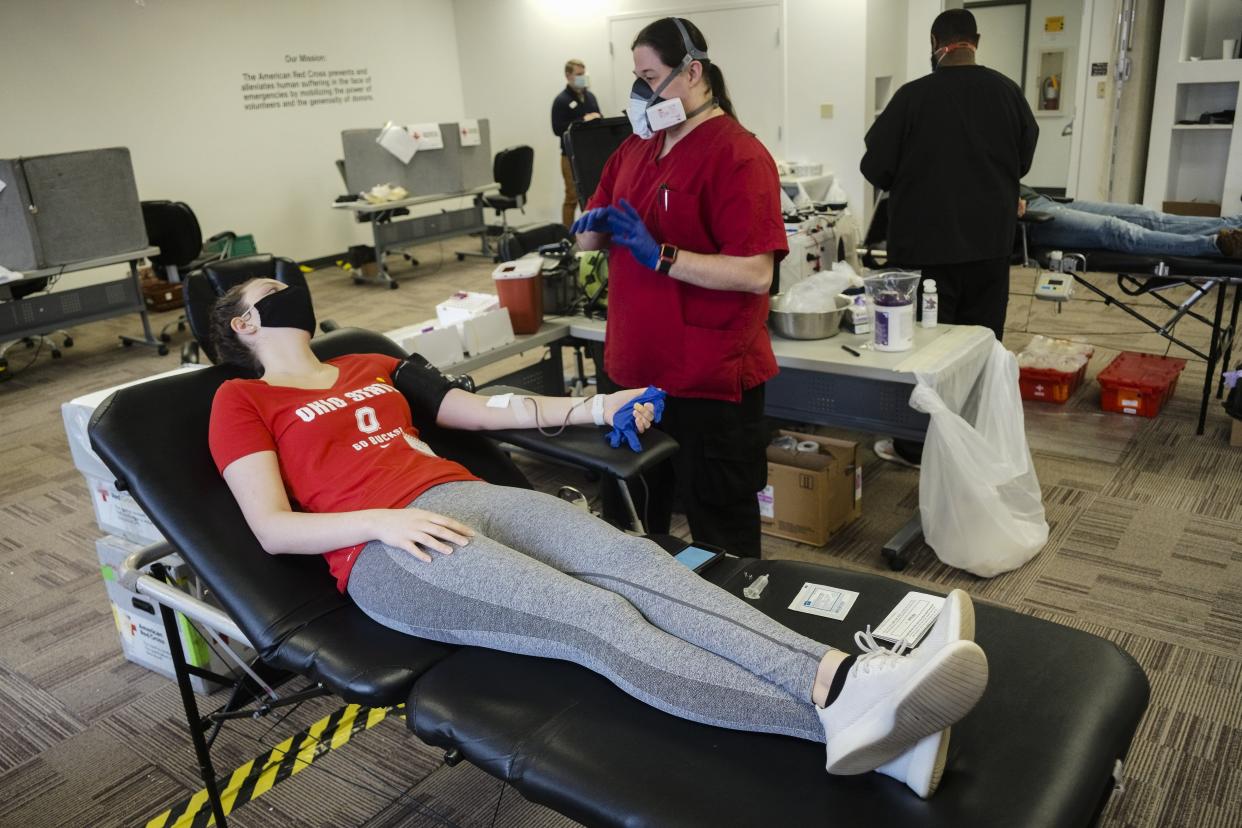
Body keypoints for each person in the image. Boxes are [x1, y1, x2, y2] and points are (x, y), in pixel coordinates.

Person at [206, 276, 990, 797]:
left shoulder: (370, 362)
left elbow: (482, 412)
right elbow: (273, 529)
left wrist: (593, 405)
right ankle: (841, 719)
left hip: (461, 496)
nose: (293, 292)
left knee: (629, 560)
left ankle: (840, 676)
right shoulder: (241, 399)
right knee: (596, 617)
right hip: (386, 550)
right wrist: (380, 521)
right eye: (273, 292)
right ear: (245, 322)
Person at [572, 17, 784, 559]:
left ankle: (738, 629)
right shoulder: (634, 151)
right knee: (636, 516)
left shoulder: (739, 155)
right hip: (634, 370)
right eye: (636, 78)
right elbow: (591, 237)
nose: (641, 91)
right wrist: (589, 225)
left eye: (650, 76)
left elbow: (756, 272)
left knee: (720, 528)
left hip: (706, 378)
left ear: (693, 73)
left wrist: (661, 255)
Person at [861, 9, 1037, 467]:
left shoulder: (913, 97)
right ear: (975, 41)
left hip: (924, 255)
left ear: (935, 43)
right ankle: (973, 443)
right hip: (988, 250)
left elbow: (874, 167)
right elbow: (1023, 161)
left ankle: (917, 445)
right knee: (981, 345)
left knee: (925, 350)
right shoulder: (1008, 93)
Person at [1022, 184, 1242, 258]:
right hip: (1030, 221)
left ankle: (1235, 224)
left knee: (1148, 216)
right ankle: (1218, 246)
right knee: (1116, 231)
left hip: (1042, 200)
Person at [551, 59, 602, 228]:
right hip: (570, 156)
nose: (583, 77)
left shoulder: (590, 97)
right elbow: (557, 129)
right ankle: (567, 235)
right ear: (568, 76)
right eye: (579, 75)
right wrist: (582, 120)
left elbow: (599, 117)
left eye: (584, 74)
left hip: (591, 154)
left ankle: (592, 232)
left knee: (593, 195)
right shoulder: (561, 100)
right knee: (572, 196)